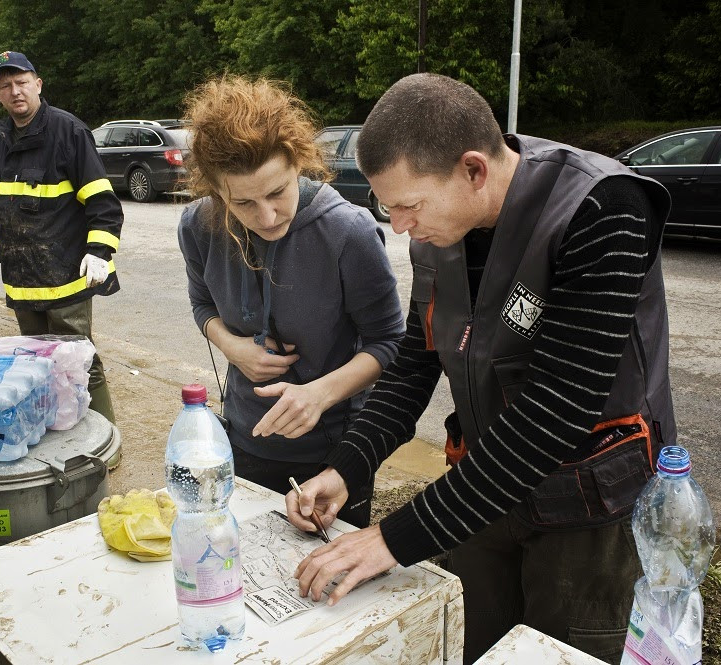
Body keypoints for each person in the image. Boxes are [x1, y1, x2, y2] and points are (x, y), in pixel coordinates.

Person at [286, 73, 676, 664]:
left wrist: (393, 538)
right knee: (469, 639)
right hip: (487, 491)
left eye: (407, 207)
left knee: (556, 653)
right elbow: (417, 363)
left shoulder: (602, 209)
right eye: (387, 207)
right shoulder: (438, 227)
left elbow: (557, 412)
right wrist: (348, 466)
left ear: (473, 169)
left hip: (588, 507)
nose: (397, 227)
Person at [177, 76, 405, 527]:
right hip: (244, 440)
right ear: (216, 192)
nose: (266, 217)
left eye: (278, 192)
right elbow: (202, 305)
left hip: (335, 453)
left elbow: (390, 342)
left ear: (298, 162)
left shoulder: (348, 232)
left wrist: (320, 395)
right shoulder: (198, 226)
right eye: (242, 203)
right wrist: (233, 347)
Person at [0, 51, 123, 442]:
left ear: (38, 84)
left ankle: (103, 441)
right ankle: (60, 437)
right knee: (36, 366)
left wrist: (101, 252)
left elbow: (103, 203)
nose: (15, 91)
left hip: (68, 279)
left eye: (22, 82)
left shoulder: (68, 132)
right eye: (6, 86)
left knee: (80, 364)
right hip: (23, 283)